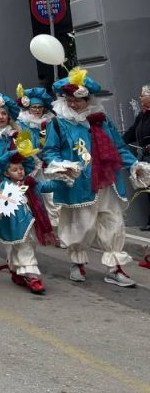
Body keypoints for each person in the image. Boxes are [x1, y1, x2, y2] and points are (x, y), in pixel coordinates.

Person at [42, 68, 150, 287]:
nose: (73, 104)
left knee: (113, 222)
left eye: (78, 100)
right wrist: (62, 165)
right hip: (78, 183)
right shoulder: (58, 123)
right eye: (69, 100)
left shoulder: (101, 121)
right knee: (81, 226)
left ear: (88, 100)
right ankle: (77, 261)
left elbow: (118, 147)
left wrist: (134, 165)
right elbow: (50, 152)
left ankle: (114, 268)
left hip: (107, 180)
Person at [0, 146, 62, 295]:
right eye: (14, 169)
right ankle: (32, 277)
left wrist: (63, 179)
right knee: (21, 248)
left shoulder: (31, 183)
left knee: (26, 247)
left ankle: (17, 272)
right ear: (6, 173)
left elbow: (48, 186)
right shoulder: (4, 185)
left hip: (31, 224)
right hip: (14, 225)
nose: (19, 171)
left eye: (21, 168)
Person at [122, 84, 150, 230]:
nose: (139, 98)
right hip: (146, 156)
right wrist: (118, 142)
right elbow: (132, 132)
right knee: (148, 188)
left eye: (142, 95)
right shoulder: (142, 114)